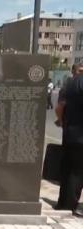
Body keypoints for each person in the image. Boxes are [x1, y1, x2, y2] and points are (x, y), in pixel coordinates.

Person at [55, 63, 83, 217]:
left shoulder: (69, 83)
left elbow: (59, 108)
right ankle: (71, 206)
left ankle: (62, 203)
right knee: (78, 173)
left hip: (69, 133)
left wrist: (62, 122)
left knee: (67, 170)